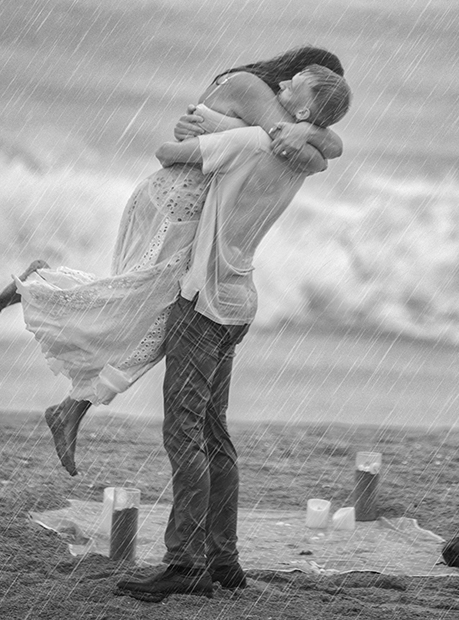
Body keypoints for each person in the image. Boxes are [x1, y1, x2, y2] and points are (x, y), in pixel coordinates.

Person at [0, 47, 345, 477]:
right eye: (314, 109)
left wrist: (319, 135)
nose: (313, 123)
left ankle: (68, 402)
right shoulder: (250, 89)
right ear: (295, 73)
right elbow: (300, 152)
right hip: (174, 206)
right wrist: (316, 135)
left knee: (149, 322)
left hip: (194, 217)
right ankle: (43, 290)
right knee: (141, 316)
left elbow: (313, 150)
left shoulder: (268, 105)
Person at [117, 65, 352, 602]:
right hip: (240, 302)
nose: (284, 84)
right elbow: (321, 146)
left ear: (302, 110)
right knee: (214, 431)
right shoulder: (300, 162)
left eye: (296, 85)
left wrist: (208, 126)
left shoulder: (247, 141)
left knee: (184, 432)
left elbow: (166, 153)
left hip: (202, 303)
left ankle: (184, 562)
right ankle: (224, 559)